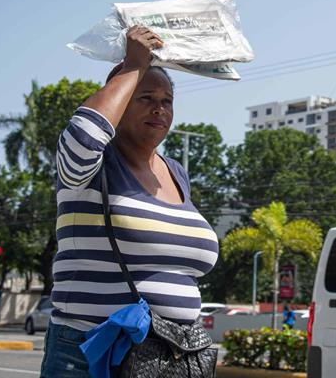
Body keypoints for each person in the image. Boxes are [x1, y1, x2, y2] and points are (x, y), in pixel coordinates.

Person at [40, 26, 219, 377]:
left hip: (171, 356)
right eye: (145, 97)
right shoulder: (96, 163)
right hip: (92, 352)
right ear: (119, 100)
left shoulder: (176, 173)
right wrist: (134, 64)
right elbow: (81, 139)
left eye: (167, 101)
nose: (159, 109)